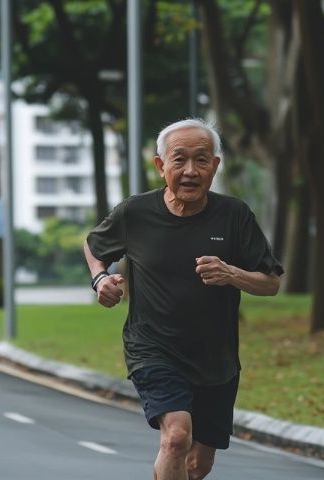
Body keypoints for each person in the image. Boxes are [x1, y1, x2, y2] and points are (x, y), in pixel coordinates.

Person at [84, 118, 283, 480]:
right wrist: (100, 279)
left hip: (216, 359)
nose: (191, 170)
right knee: (176, 437)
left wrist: (231, 274)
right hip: (153, 348)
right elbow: (94, 245)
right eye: (179, 160)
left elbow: (270, 283)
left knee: (197, 465)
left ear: (215, 167)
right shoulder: (137, 212)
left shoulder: (234, 215)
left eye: (202, 160)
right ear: (161, 166)